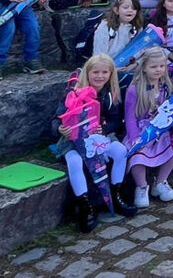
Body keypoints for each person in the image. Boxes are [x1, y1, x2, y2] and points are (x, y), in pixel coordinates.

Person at [54, 54, 137, 231]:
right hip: (73, 140)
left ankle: (116, 193)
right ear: (87, 73)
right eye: (95, 72)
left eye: (104, 72)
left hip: (99, 138)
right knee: (75, 161)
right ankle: (85, 206)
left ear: (111, 73)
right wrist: (61, 129)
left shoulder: (110, 94)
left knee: (121, 151)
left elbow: (116, 119)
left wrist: (104, 130)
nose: (100, 76)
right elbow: (57, 119)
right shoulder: (73, 93)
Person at [124, 47, 173, 207]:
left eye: (161, 66)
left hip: (160, 128)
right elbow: (130, 117)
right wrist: (135, 138)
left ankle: (161, 181)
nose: (158, 70)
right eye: (153, 67)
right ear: (144, 67)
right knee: (138, 154)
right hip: (141, 129)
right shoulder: (134, 90)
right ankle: (142, 186)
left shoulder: (165, 85)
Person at [93, 0, 145, 66]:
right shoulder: (106, 26)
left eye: (134, 8)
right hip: (105, 66)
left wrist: (134, 64)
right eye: (125, 7)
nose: (130, 10)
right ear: (116, 10)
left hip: (126, 66)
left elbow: (140, 48)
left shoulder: (137, 28)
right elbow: (99, 52)